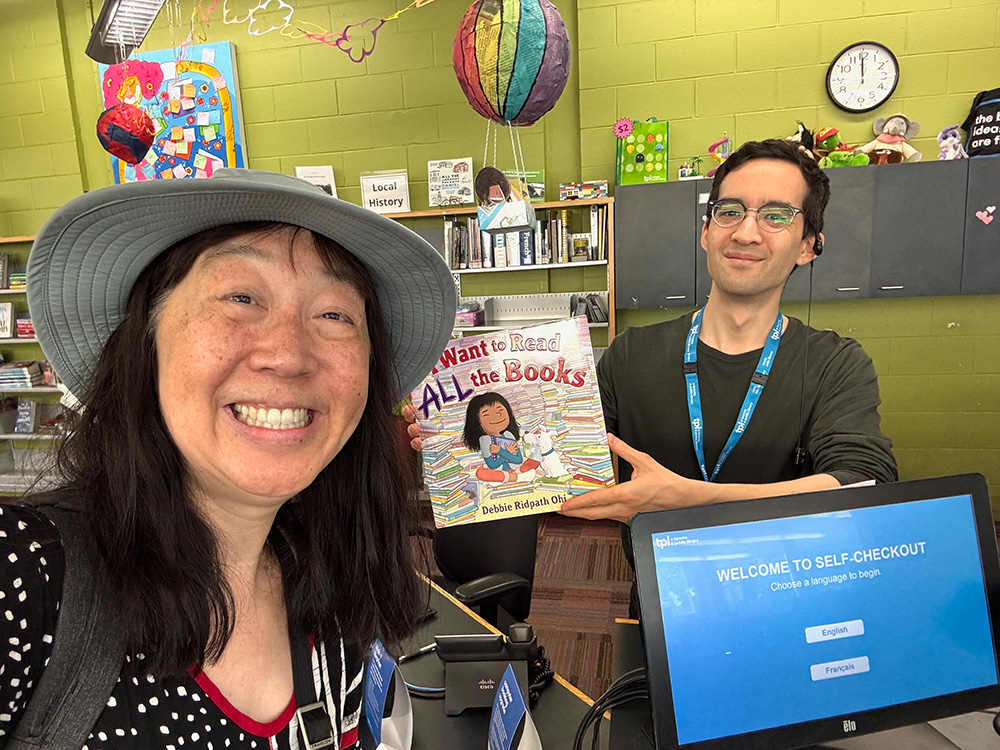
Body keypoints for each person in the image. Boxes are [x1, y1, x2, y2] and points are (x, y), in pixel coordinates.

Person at [0, 169, 455, 748]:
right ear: (146, 339)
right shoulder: (26, 576)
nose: (289, 355)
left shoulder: (333, 584)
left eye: (335, 314)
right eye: (242, 297)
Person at [405, 139, 896, 613]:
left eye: (775, 216)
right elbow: (562, 455)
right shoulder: (632, 353)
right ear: (706, 231)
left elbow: (862, 485)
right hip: (660, 601)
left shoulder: (836, 364)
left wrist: (691, 501)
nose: (746, 233)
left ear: (809, 244)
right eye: (730, 212)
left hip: (787, 597)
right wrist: (455, 439)